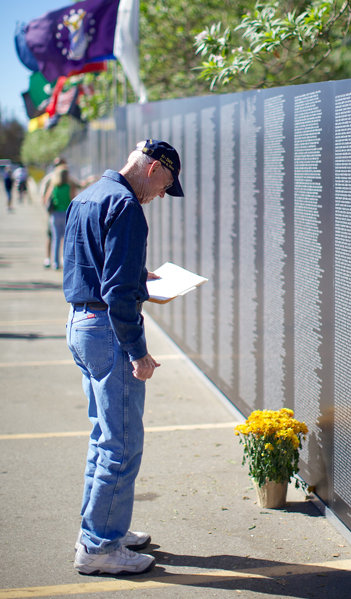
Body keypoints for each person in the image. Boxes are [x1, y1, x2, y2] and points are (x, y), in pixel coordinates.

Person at [63, 140, 184, 576]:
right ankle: (99, 547)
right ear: (153, 168)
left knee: (104, 437)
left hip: (80, 324)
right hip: (109, 332)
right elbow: (116, 293)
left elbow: (87, 268)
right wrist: (139, 353)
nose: (162, 196)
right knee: (122, 443)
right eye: (166, 185)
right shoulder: (128, 207)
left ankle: (100, 527)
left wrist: (137, 275)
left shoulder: (88, 196)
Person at [43, 163, 74, 270]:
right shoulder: (68, 186)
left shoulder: (54, 186)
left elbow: (46, 199)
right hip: (66, 214)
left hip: (55, 214)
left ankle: (55, 263)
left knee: (55, 239)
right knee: (66, 240)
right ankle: (65, 262)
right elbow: (73, 199)